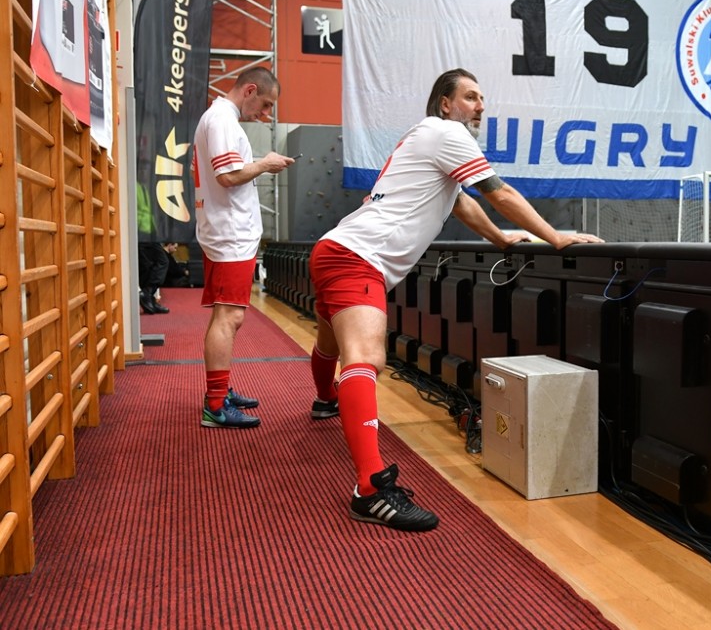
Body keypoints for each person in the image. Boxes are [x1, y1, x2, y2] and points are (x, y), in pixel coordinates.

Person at [308, 68, 604, 532]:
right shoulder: (449, 133)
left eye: (482, 98)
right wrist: (556, 237)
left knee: (331, 342)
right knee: (365, 358)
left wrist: (501, 240)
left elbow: (462, 203)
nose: (480, 105)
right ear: (445, 103)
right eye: (470, 96)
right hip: (358, 257)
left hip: (335, 248)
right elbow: (499, 193)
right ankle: (370, 490)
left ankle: (326, 400)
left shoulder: (427, 137)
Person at [192, 67, 296, 429]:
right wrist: (264, 164)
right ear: (250, 90)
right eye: (265, 104)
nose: (264, 114)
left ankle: (219, 391)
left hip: (227, 231)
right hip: (230, 234)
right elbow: (227, 176)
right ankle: (215, 405)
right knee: (229, 317)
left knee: (226, 316)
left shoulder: (219, 119)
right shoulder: (222, 119)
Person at [137, 241, 173, 314]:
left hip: (145, 238)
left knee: (147, 265)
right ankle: (147, 293)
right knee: (162, 261)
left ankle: (149, 298)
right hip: (147, 237)